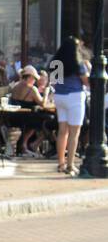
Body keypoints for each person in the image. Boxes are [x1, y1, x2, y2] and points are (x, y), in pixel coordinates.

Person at [50, 35, 89, 175]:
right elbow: (86, 82)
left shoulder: (57, 61)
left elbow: (54, 82)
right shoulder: (78, 63)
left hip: (59, 96)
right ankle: (70, 164)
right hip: (75, 96)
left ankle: (61, 163)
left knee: (62, 131)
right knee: (74, 133)